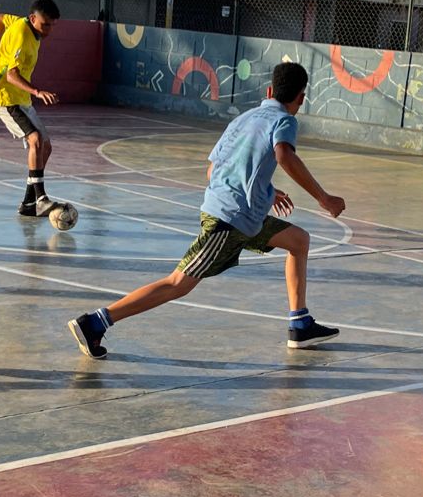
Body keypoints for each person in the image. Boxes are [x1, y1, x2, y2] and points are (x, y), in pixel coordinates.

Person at [68, 62, 346, 360]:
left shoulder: (243, 119)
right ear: (301, 98)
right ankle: (95, 322)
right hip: (230, 222)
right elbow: (283, 155)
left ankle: (300, 324)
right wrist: (324, 198)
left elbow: (213, 169)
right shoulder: (285, 121)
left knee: (298, 240)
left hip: (240, 215)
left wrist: (262, 189)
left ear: (268, 91)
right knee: (178, 284)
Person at [0, 0, 65, 217]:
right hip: (5, 97)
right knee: (35, 140)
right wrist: (38, 92)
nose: (48, 30)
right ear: (33, 19)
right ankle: (40, 198)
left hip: (21, 99)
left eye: (52, 25)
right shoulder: (22, 35)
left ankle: (28, 203)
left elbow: (1, 17)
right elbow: (12, 75)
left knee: (46, 147)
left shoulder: (25, 23)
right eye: (45, 25)